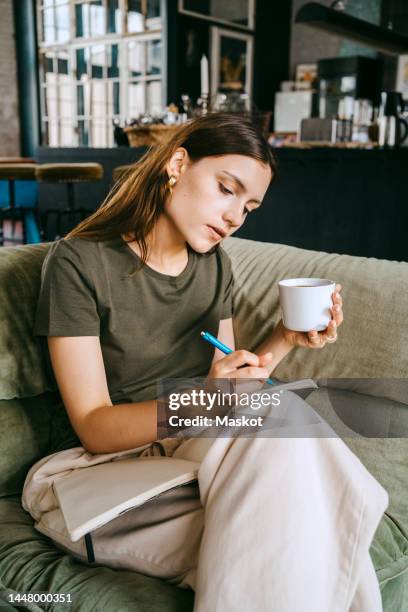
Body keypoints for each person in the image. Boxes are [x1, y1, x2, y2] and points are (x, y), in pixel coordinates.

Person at [22, 113, 388, 612]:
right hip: (104, 470)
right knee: (307, 518)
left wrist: (285, 339)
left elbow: (229, 388)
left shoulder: (214, 266)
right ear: (176, 164)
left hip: (193, 450)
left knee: (279, 446)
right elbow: (96, 429)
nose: (237, 216)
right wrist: (208, 399)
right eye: (226, 188)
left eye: (250, 205)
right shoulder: (78, 263)